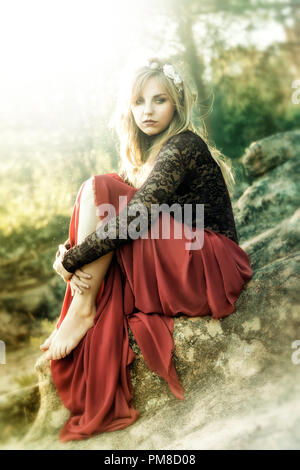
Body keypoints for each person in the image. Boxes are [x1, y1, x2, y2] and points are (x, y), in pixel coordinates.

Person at [40, 57, 253, 442]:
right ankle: (82, 302)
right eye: (139, 101)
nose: (148, 111)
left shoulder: (183, 144)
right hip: (186, 258)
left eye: (159, 100)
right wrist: (72, 251)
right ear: (129, 108)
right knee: (102, 186)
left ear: (177, 104)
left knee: (103, 190)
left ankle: (82, 306)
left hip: (208, 261)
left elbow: (139, 213)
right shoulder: (151, 152)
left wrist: (73, 259)